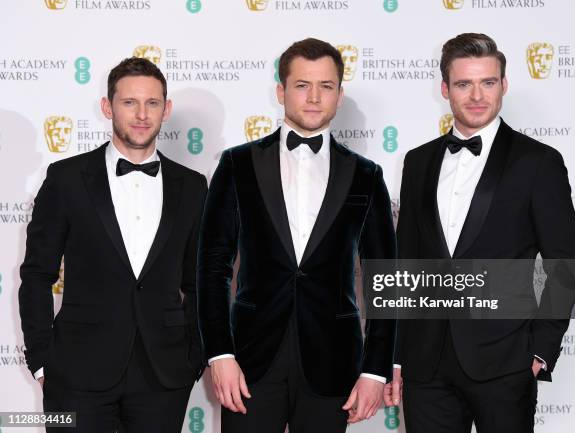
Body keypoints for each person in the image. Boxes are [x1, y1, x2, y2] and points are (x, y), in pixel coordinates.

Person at [198, 38, 396, 433]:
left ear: (339, 95)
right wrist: (220, 353)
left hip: (334, 362)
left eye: (325, 86)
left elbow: (385, 277)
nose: (313, 98)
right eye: (302, 85)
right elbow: (212, 265)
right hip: (249, 363)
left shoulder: (366, 174)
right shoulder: (238, 164)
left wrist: (375, 371)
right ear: (281, 91)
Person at [387, 33, 575, 433]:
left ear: (504, 85)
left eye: (488, 82)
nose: (477, 95)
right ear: (445, 89)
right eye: (463, 84)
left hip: (505, 362)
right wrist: (396, 356)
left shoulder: (538, 162)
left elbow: (567, 265)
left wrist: (540, 350)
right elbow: (405, 264)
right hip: (426, 367)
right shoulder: (418, 161)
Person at [19, 57, 207, 433]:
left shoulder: (192, 185)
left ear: (166, 110)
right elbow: (37, 274)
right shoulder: (66, 178)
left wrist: (195, 356)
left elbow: (199, 282)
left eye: (152, 103)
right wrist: (43, 361)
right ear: (107, 107)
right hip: (74, 373)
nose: (141, 114)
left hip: (163, 376)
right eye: (129, 102)